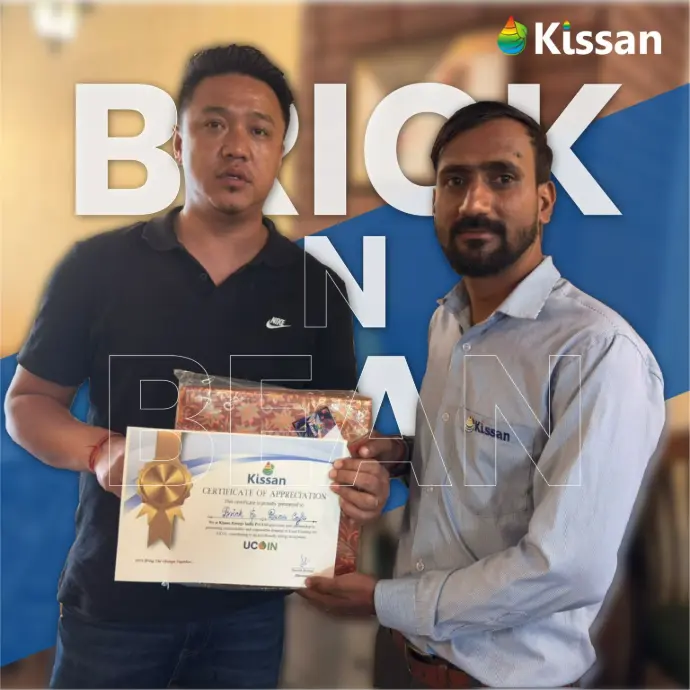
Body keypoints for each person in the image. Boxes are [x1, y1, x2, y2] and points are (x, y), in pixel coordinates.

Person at [5, 44, 389, 689]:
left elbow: (329, 440)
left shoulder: (314, 289)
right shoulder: (97, 268)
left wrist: (359, 484)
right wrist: (99, 450)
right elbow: (27, 403)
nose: (237, 146)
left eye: (259, 130)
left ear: (279, 152)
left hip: (247, 616)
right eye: (214, 123)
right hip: (114, 607)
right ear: (179, 143)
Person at [298, 101, 666, 688]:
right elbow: (489, 459)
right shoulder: (449, 322)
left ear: (544, 201)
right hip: (402, 660)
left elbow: (564, 567)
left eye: (502, 177)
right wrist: (401, 457)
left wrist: (381, 601)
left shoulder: (598, 352)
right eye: (455, 181)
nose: (475, 202)